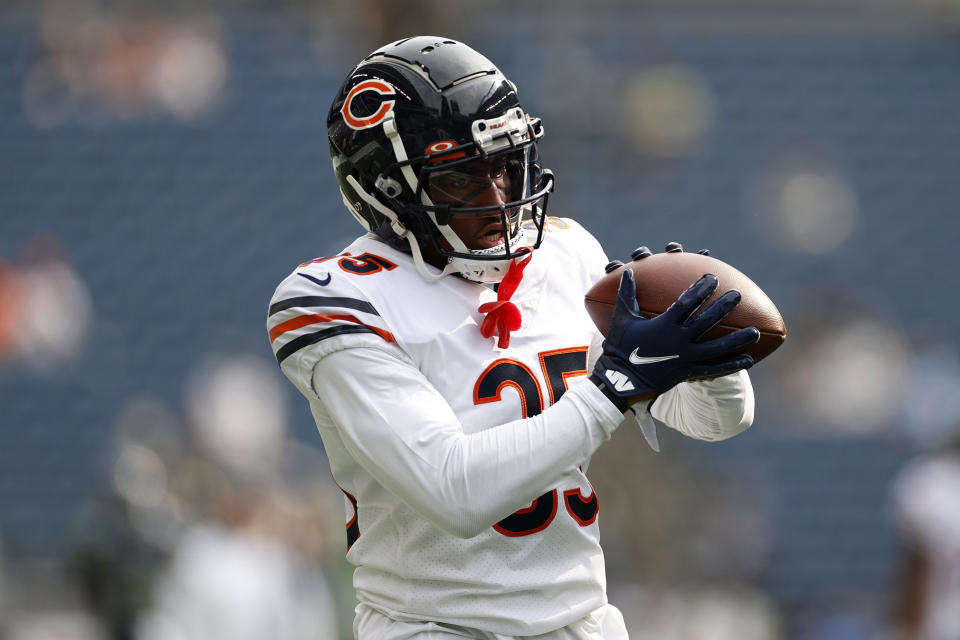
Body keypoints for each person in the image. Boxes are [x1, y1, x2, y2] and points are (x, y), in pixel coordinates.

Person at [267, 36, 759, 640]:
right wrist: (612, 390)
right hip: (436, 626)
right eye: (460, 179)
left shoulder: (566, 250)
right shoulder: (336, 298)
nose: (497, 197)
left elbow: (713, 422)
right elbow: (454, 491)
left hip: (581, 621)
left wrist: (708, 355)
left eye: (501, 164)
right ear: (386, 190)